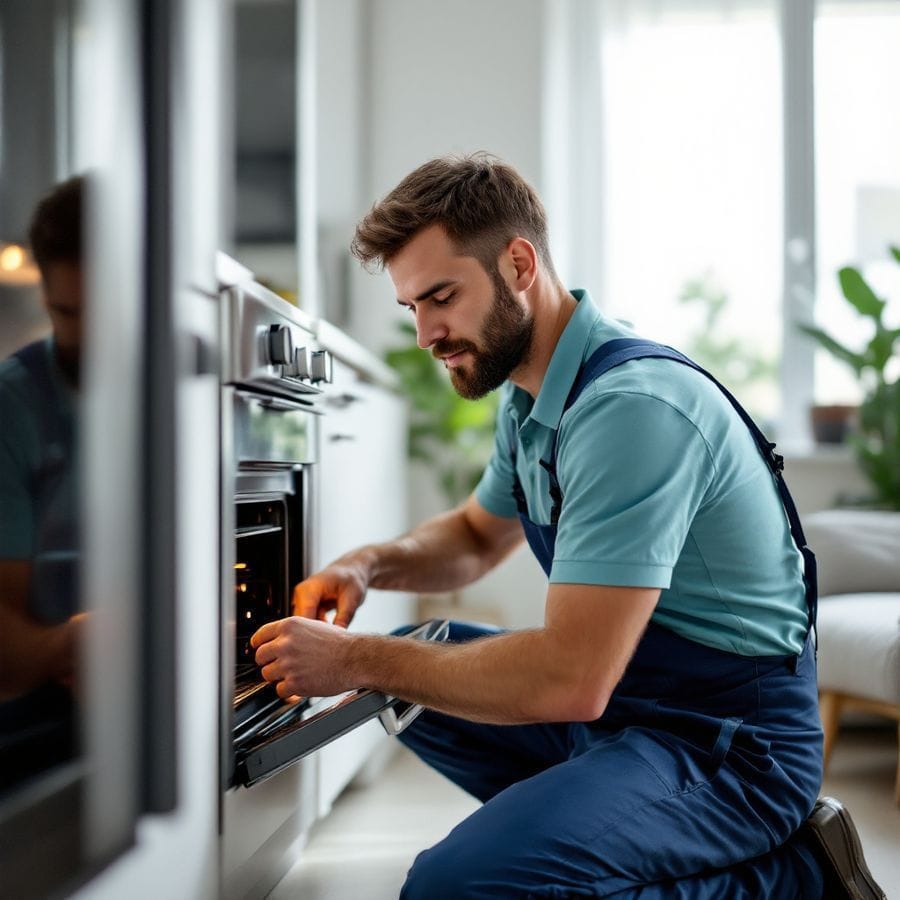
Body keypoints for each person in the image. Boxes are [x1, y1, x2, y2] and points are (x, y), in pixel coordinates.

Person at [251, 155, 885, 898]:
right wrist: (365, 566)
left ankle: (798, 876)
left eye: (441, 297)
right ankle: (602, 824)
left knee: (453, 889)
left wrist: (356, 659)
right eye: (411, 308)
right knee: (420, 667)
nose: (427, 332)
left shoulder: (629, 411)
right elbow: (476, 537)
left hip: (729, 744)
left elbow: (571, 678)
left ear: (518, 263)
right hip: (629, 709)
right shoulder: (531, 398)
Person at [0, 176, 86, 793]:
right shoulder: (14, 405)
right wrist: (69, 644)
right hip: (40, 713)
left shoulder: (191, 380)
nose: (86, 339)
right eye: (66, 314)